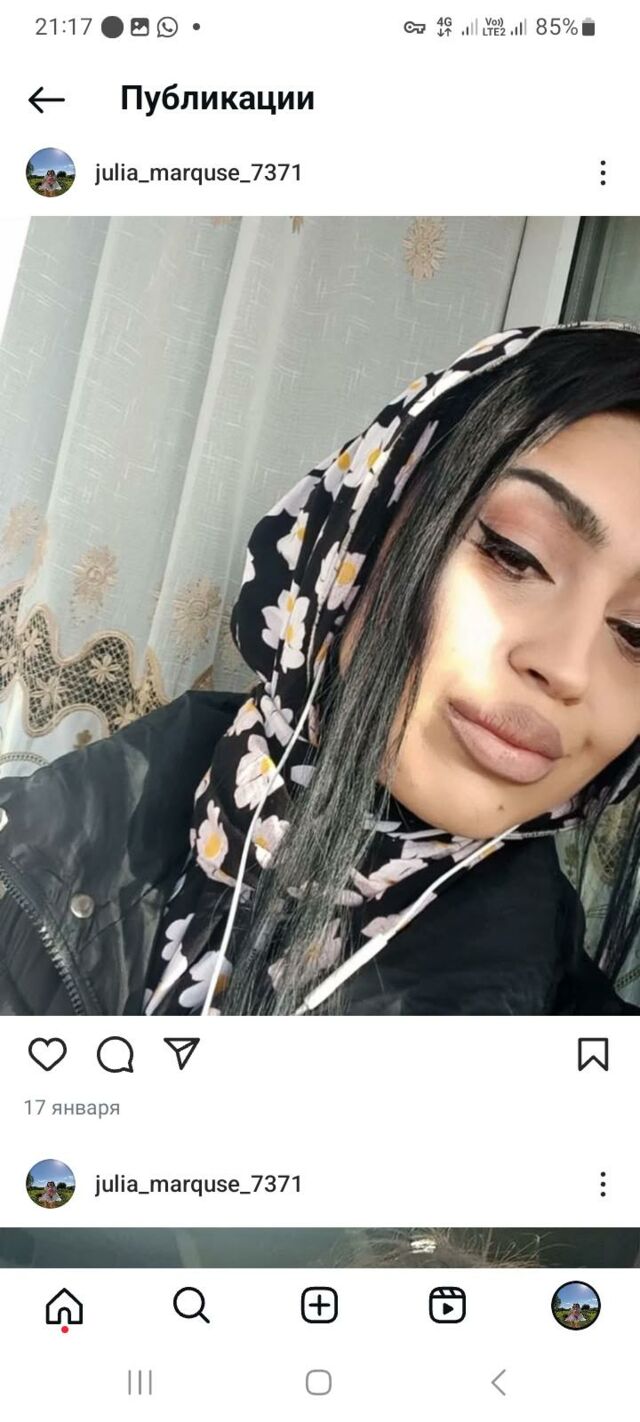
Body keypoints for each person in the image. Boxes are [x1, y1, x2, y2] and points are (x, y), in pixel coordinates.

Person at [0, 322, 639, 1015]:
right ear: (359, 534)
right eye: (515, 553)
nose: (568, 669)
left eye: (636, 633)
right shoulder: (33, 854)